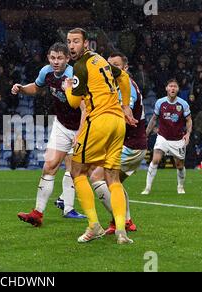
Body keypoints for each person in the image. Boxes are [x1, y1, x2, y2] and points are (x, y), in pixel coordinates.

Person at [65, 28, 137, 244]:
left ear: (86, 43)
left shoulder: (79, 66)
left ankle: (94, 226)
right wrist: (125, 106)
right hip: (117, 123)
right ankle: (121, 231)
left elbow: (74, 103)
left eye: (76, 41)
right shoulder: (101, 60)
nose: (71, 46)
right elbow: (124, 78)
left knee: (77, 171)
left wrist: (68, 87)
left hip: (99, 121)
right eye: (69, 42)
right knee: (112, 177)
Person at [12, 42, 86, 227]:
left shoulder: (73, 76)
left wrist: (81, 132)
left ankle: (71, 208)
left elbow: (85, 107)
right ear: (48, 58)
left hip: (81, 127)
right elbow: (36, 88)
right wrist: (21, 88)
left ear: (67, 59)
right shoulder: (46, 72)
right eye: (53, 58)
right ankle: (37, 213)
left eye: (60, 58)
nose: (56, 61)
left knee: (79, 171)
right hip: (61, 125)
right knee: (50, 165)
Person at [89, 52, 147, 235]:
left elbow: (124, 111)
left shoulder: (126, 84)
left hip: (131, 145)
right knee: (114, 183)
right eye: (109, 65)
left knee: (97, 178)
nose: (112, 68)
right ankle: (119, 221)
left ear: (125, 68)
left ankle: (124, 219)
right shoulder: (115, 84)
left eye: (116, 65)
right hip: (128, 143)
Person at [141, 79, 192, 195]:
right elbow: (154, 119)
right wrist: (146, 134)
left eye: (175, 86)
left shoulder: (183, 104)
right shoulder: (160, 103)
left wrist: (188, 134)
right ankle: (147, 188)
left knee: (179, 165)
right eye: (170, 86)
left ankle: (180, 186)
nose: (173, 88)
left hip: (178, 139)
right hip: (162, 137)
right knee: (155, 160)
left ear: (178, 89)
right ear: (166, 88)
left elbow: (189, 120)